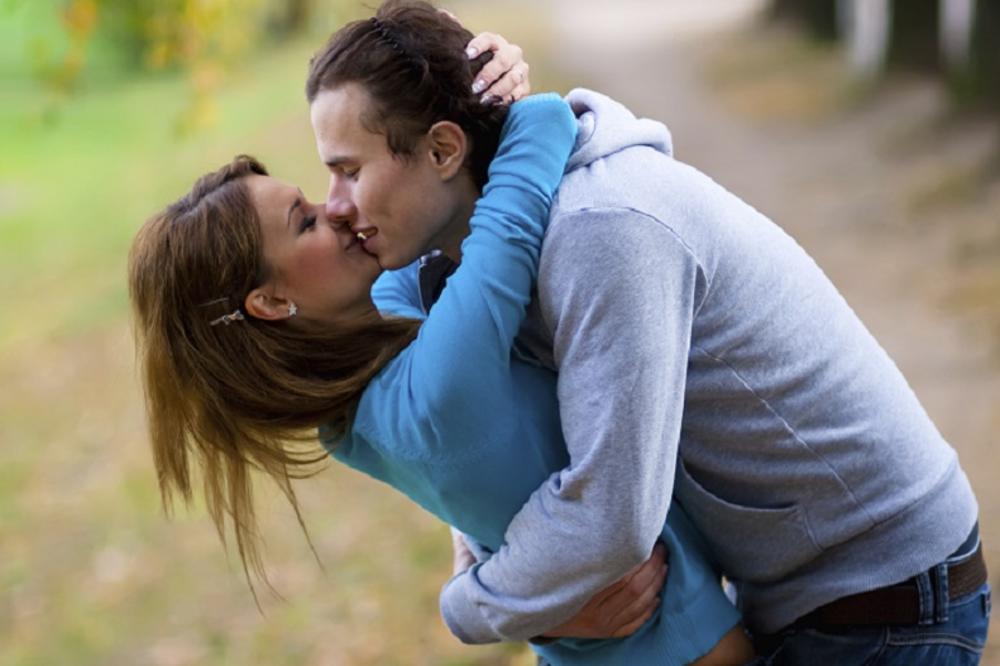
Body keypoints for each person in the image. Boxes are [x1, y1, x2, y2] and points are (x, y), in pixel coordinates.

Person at [307, 1, 990, 664]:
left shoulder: (599, 229)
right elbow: (479, 452)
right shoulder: (468, 256)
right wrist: (526, 597)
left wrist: (470, 609)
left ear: (444, 149)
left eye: (349, 171)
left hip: (883, 596)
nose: (335, 208)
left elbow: (611, 521)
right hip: (795, 589)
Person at [128, 21, 749, 663]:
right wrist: (490, 99)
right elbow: (522, 184)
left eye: (330, 186)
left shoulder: (355, 413)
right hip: (691, 646)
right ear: (272, 302)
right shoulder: (437, 386)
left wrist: (469, 88)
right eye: (305, 220)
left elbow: (413, 238)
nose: (338, 209)